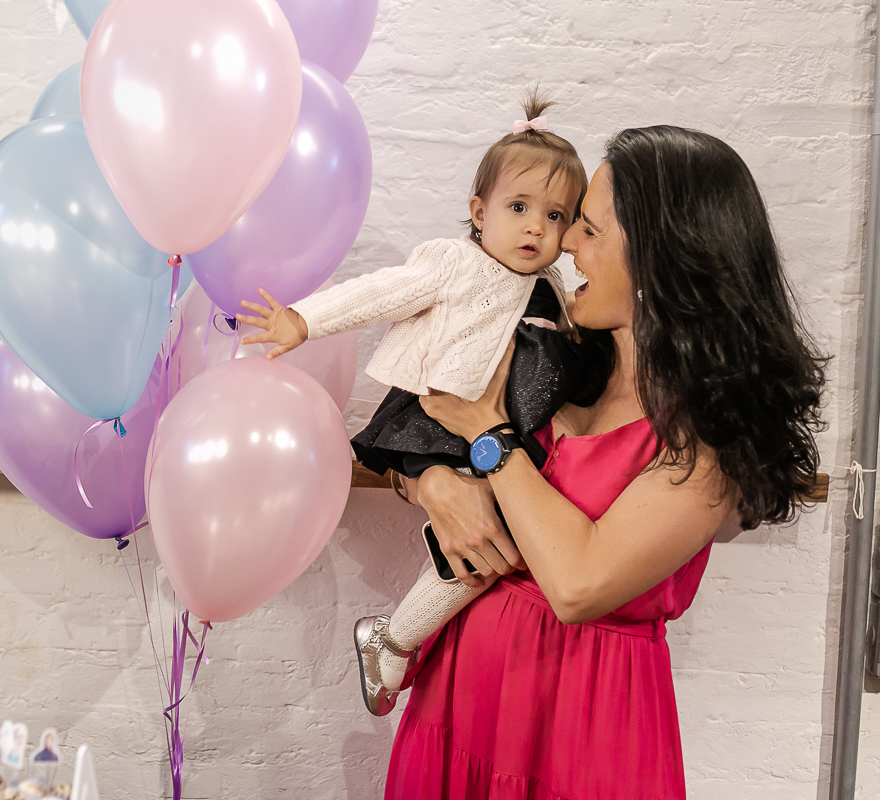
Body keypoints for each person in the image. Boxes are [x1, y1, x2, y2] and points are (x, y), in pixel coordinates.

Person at [381, 126, 825, 799]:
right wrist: (435, 481)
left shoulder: (709, 437)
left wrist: (492, 440)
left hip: (582, 734)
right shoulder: (561, 354)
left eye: (587, 227)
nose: (565, 244)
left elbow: (579, 583)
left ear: (659, 255)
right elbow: (413, 422)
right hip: (462, 706)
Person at [239, 91, 605, 716]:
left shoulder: (554, 290)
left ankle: (391, 638)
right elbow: (386, 291)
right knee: (486, 549)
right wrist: (304, 320)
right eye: (518, 207)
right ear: (478, 211)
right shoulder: (455, 263)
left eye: (555, 216)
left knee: (492, 548)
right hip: (440, 418)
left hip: (498, 437)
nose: (535, 227)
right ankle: (393, 639)